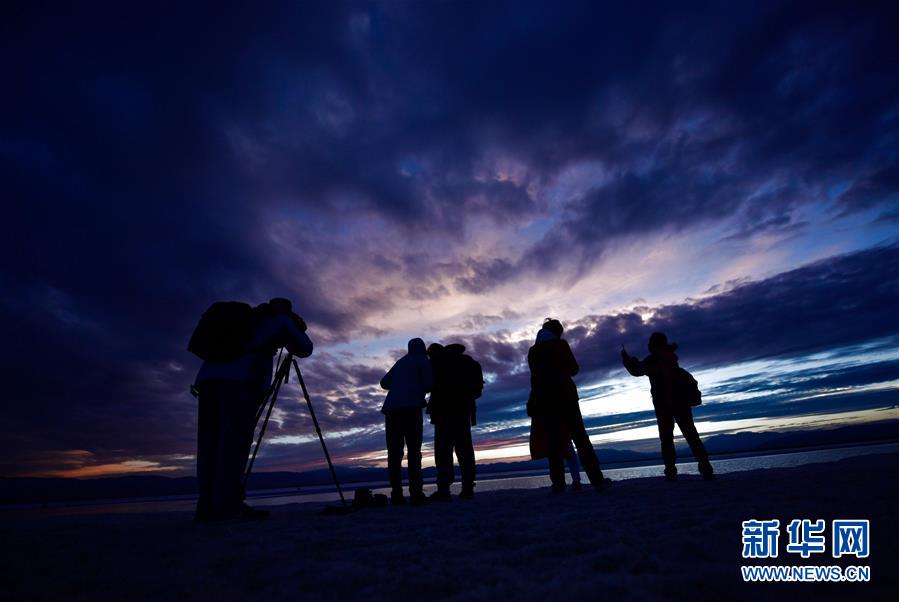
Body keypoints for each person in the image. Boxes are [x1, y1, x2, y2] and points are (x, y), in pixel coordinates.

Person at [193, 298, 313, 522]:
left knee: (209, 445)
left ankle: (206, 506)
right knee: (233, 445)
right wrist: (291, 325)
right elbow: (305, 348)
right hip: (241, 383)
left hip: (208, 381)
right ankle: (227, 507)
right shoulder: (278, 319)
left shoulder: (241, 320)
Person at [527, 318, 610, 493]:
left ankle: (558, 485)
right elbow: (573, 369)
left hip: (545, 402)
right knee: (580, 438)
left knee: (554, 443)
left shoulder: (533, 351)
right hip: (566, 397)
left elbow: (535, 379)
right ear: (557, 332)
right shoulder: (560, 345)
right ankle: (597, 480)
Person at [621, 332, 714, 481]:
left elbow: (638, 370)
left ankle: (671, 472)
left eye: (650, 343)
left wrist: (627, 359)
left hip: (664, 404)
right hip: (681, 402)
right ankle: (705, 467)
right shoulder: (670, 356)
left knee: (667, 439)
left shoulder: (654, 359)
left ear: (653, 344)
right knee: (692, 436)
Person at [427, 343, 483, 500]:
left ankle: (444, 489)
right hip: (463, 411)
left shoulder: (437, 362)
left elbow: (428, 384)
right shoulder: (468, 362)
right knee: (464, 449)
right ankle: (467, 487)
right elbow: (477, 390)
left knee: (443, 451)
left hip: (443, 412)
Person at [380, 338, 433, 505]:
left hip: (391, 410)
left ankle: (397, 493)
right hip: (411, 409)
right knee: (414, 452)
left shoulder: (401, 362)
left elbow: (384, 383)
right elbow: (429, 383)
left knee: (394, 453)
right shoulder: (423, 361)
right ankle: (416, 493)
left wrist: (400, 384)